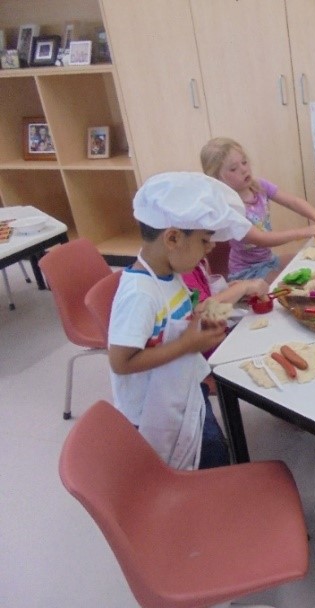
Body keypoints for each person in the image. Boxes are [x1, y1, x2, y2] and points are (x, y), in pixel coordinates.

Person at [108, 172, 254, 470]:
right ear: (172, 237)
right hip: (152, 411)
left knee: (213, 453)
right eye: (204, 241)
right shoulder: (140, 294)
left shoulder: (170, 276)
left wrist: (222, 314)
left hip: (184, 390)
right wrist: (188, 343)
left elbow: (187, 314)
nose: (208, 250)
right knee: (188, 468)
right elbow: (121, 362)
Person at [201, 137, 315, 284]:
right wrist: (302, 232)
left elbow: (294, 202)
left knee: (309, 264)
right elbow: (262, 239)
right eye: (233, 169)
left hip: (269, 260)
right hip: (247, 273)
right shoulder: (230, 208)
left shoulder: (259, 186)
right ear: (217, 180)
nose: (243, 169)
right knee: (289, 286)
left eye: (244, 162)